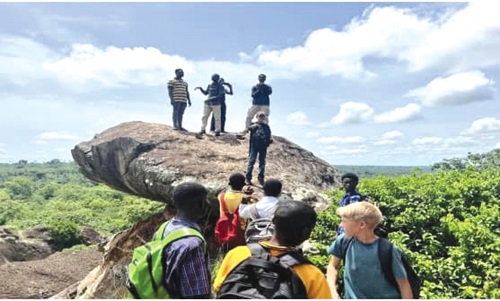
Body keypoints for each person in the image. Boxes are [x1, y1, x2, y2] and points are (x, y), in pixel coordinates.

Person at [213, 200, 332, 298]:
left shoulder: (237, 254)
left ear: (273, 222)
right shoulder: (312, 275)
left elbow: (218, 288)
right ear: (305, 232)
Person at [326, 201, 413, 299]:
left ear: (362, 224)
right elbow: (332, 266)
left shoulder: (388, 250)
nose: (341, 225)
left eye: (344, 221)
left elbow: (404, 284)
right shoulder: (344, 241)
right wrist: (332, 291)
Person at [159, 182, 212, 298]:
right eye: (205, 200)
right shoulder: (193, 244)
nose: (208, 203)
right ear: (197, 204)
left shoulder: (165, 228)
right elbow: (197, 294)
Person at [215, 172, 257, 251]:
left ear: (229, 184)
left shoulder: (221, 196)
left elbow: (231, 196)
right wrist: (248, 195)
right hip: (240, 234)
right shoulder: (247, 199)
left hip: (224, 230)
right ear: (243, 185)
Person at [243, 111, 272, 185]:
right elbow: (245, 131)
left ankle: (261, 177)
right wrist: (249, 128)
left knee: (262, 163)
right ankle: (248, 178)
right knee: (251, 162)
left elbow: (269, 136)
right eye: (260, 116)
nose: (261, 118)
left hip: (263, 146)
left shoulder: (266, 126)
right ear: (257, 117)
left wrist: (269, 141)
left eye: (263, 117)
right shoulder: (253, 125)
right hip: (254, 146)